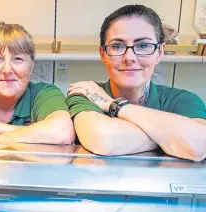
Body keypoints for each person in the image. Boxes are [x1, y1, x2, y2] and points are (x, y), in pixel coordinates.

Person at [66, 4, 206, 161]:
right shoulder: (87, 93)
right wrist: (171, 136)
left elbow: (200, 144)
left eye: (143, 45)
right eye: (117, 46)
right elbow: (105, 140)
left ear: (160, 52)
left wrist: (112, 104)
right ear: (102, 54)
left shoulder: (183, 100)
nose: (129, 57)